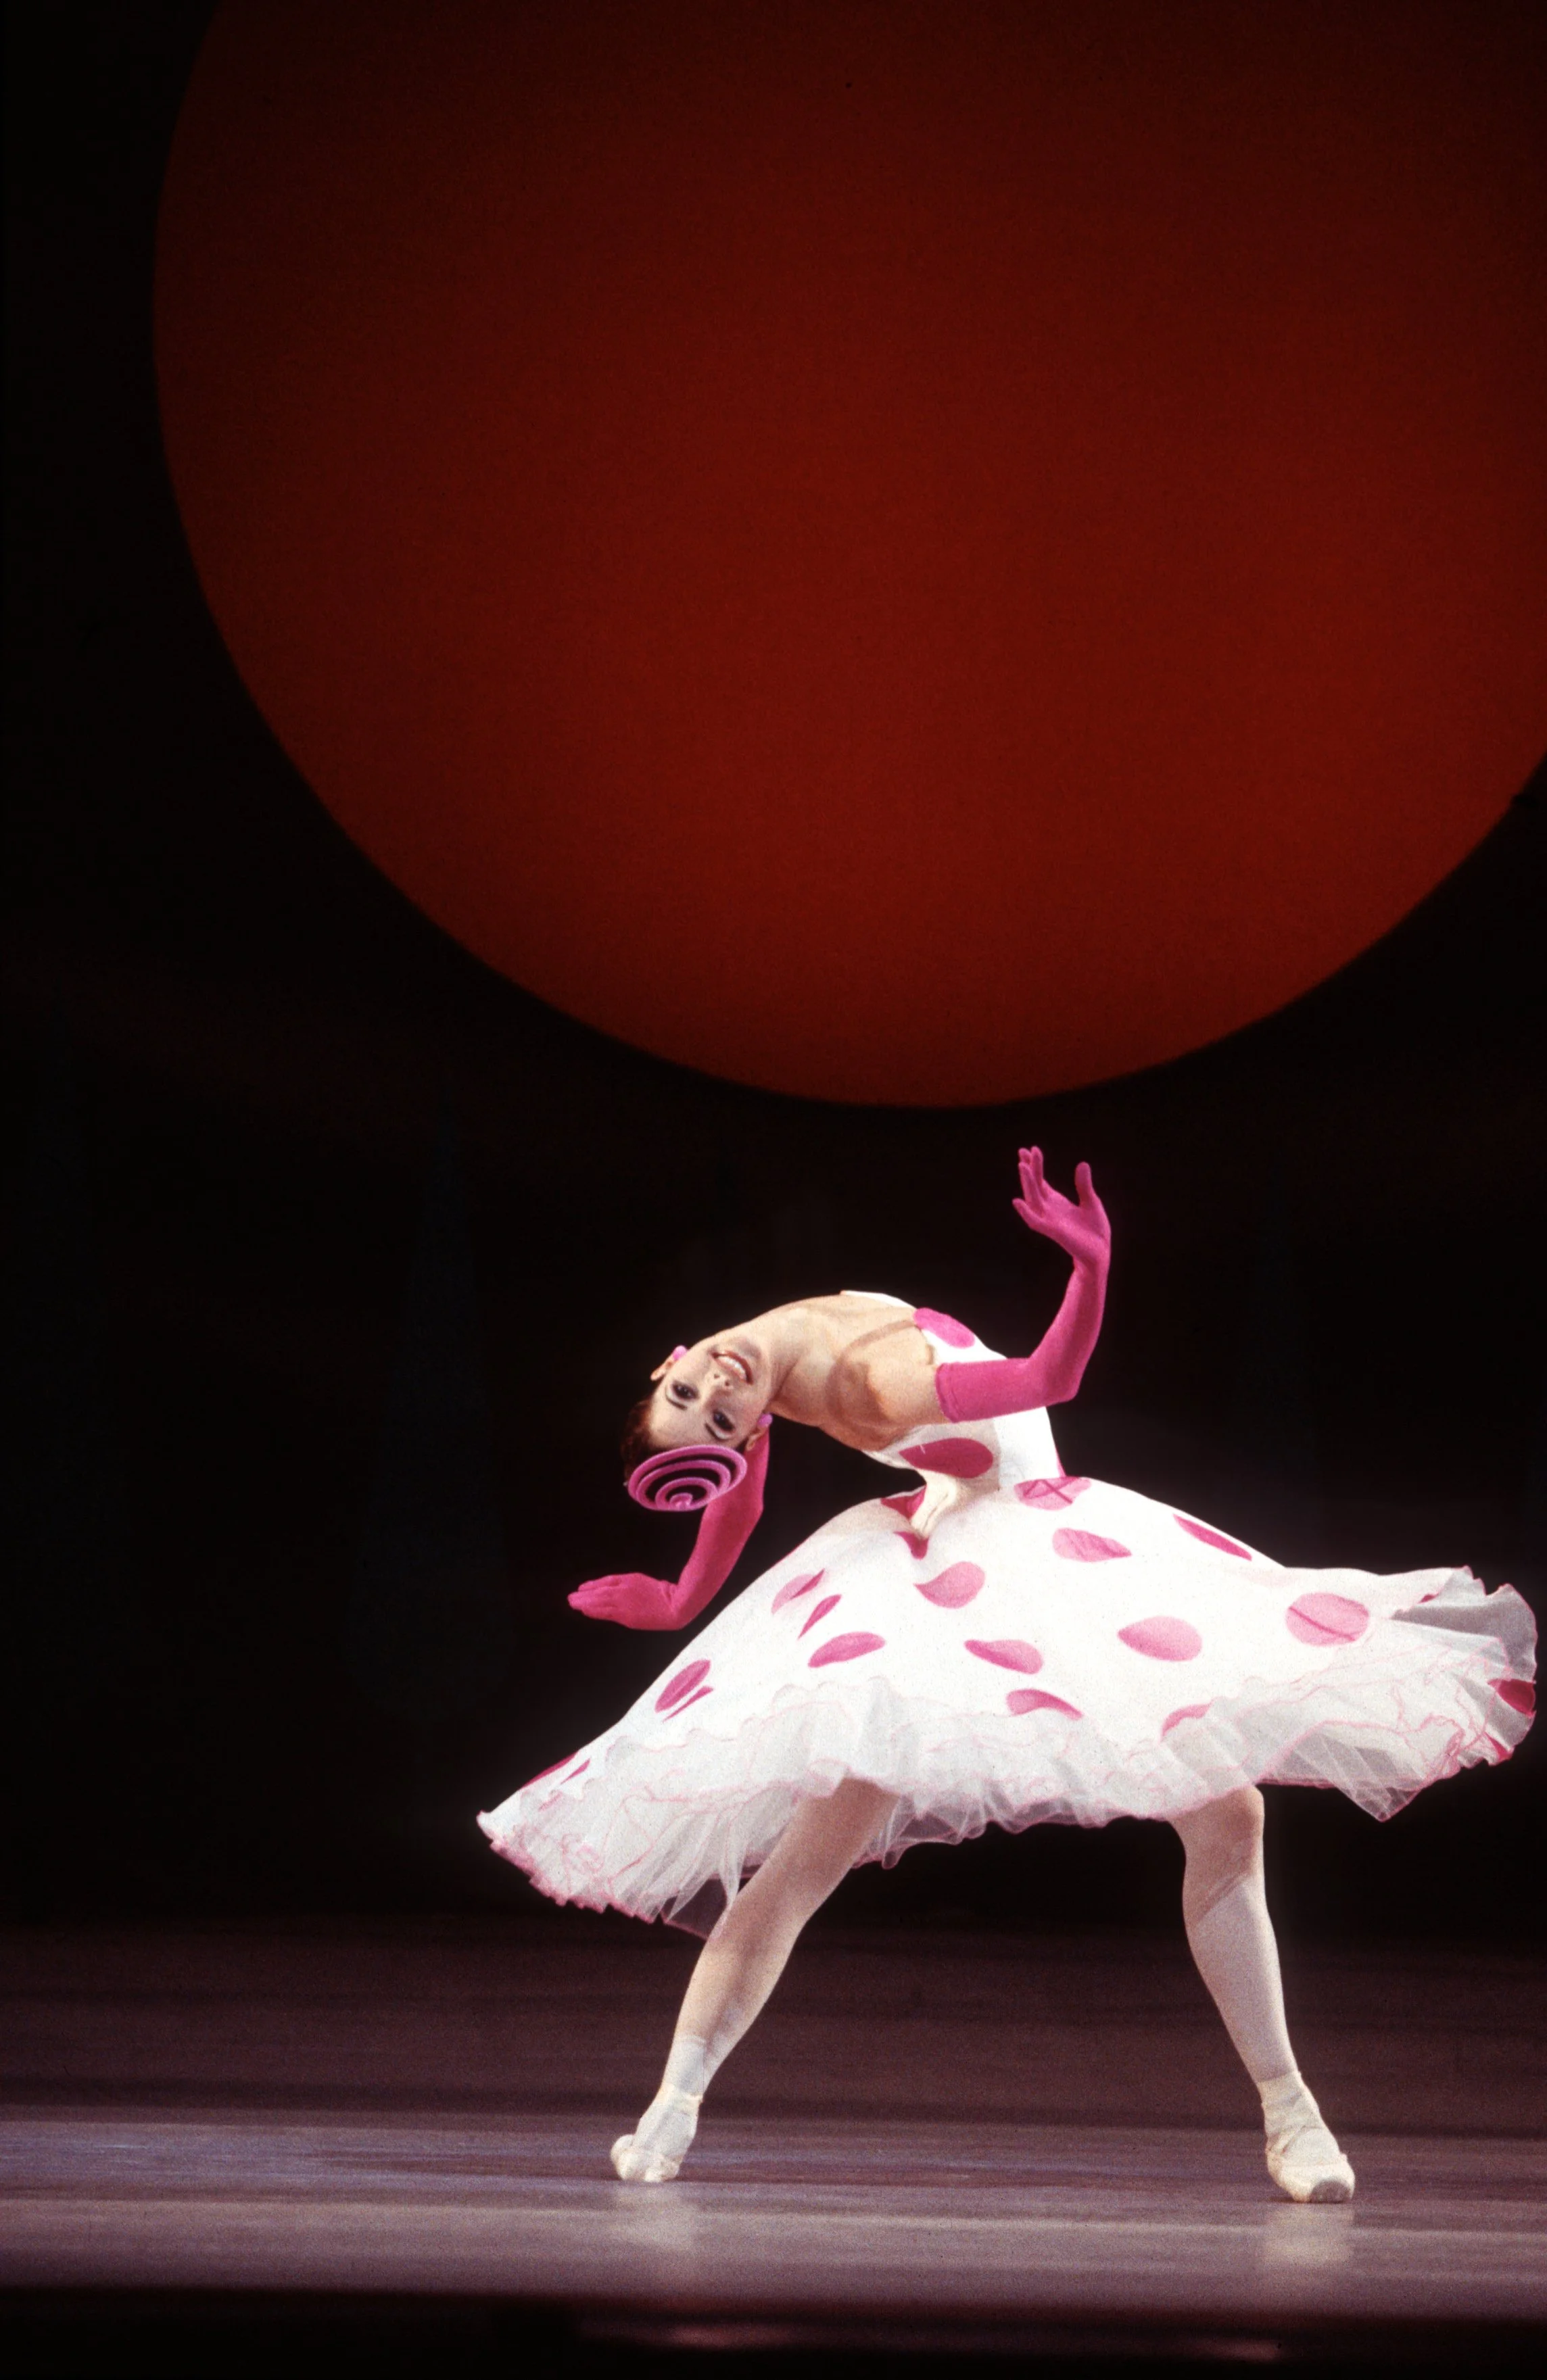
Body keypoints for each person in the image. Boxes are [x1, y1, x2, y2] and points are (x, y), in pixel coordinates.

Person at [479, 1151, 1534, 2203]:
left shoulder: (745, 1355)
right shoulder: (858, 1382)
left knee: (1226, 1819)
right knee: (827, 1846)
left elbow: (741, 1498)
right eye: (712, 1416)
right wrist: (1093, 1272)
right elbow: (1045, 1382)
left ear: (667, 1360)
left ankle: (1291, 2112)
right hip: (997, 1557)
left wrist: (678, 1599)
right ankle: (669, 2110)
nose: (715, 1391)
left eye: (692, 1391)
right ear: (746, 1432)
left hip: (996, 1541)